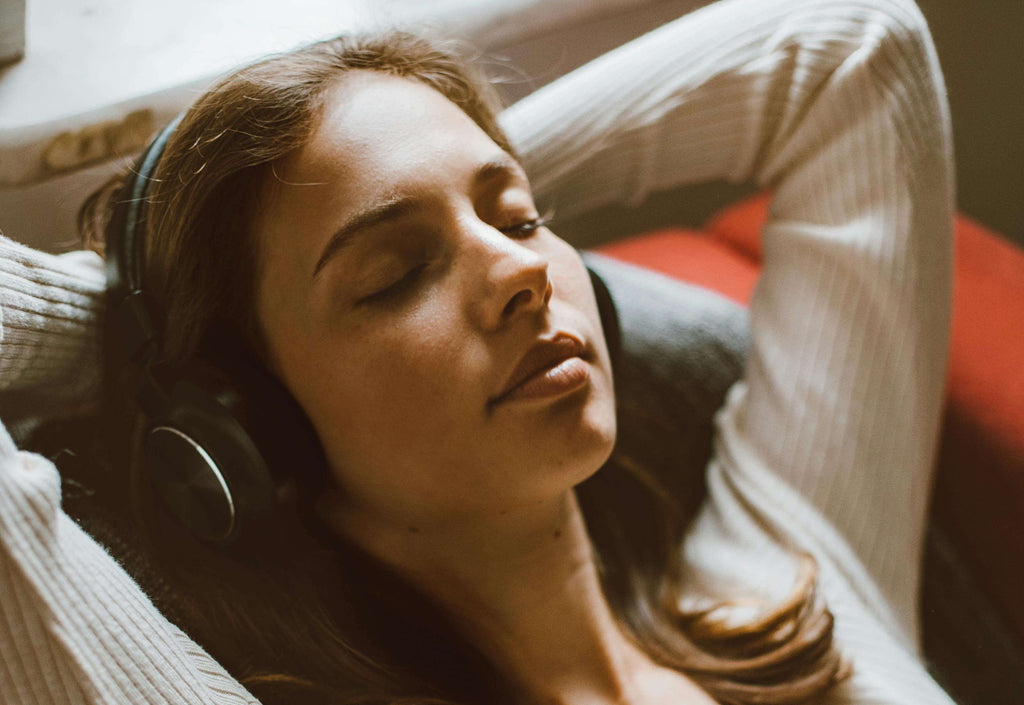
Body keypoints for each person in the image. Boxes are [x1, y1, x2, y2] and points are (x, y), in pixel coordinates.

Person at [0, 0, 959, 702]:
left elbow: (854, 50)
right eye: (393, 274)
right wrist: (126, 333)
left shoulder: (786, 588)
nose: (524, 271)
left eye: (524, 214)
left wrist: (415, 144)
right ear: (255, 421)